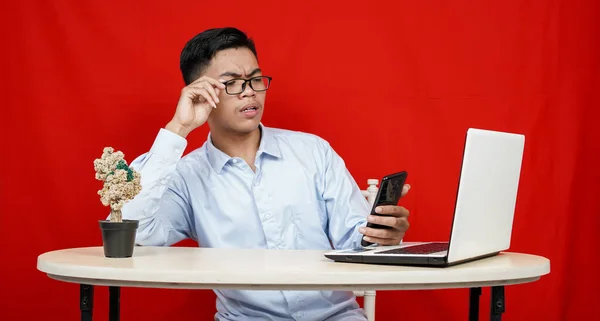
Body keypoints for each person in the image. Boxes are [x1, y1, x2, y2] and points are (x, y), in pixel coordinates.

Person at [118, 27, 411, 321]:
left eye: (255, 79)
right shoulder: (186, 175)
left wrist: (381, 235)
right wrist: (178, 127)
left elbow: (356, 242)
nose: (249, 91)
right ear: (201, 92)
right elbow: (136, 230)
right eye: (231, 82)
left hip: (335, 315)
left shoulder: (312, 152)